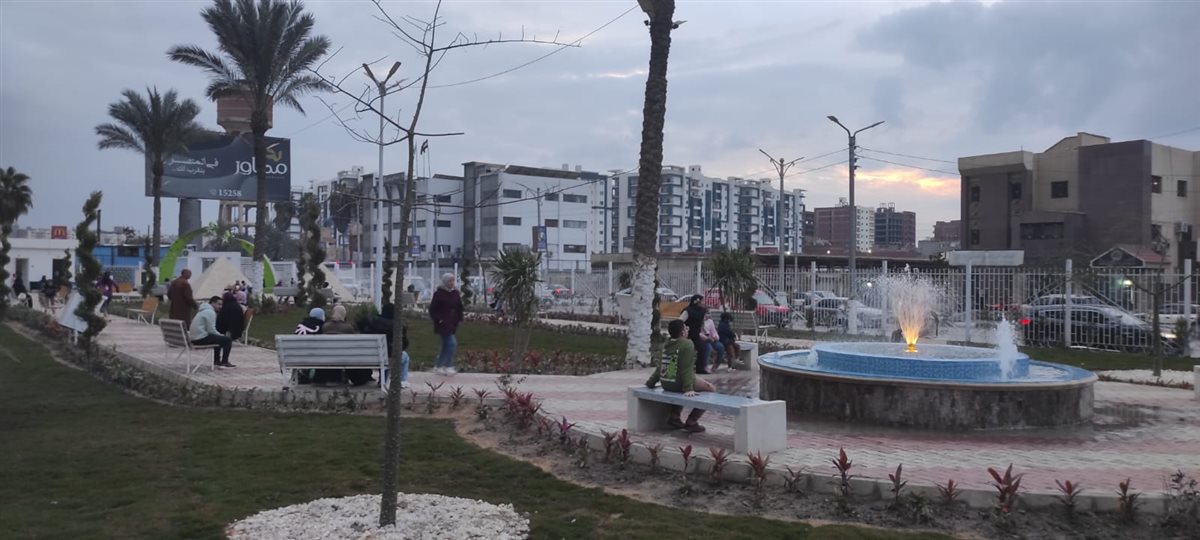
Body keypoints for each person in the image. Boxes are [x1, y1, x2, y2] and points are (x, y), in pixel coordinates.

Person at [645, 319, 715, 433]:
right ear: (682, 332)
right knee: (710, 389)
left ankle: (674, 417)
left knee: (681, 388)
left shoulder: (666, 344)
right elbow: (686, 368)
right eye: (686, 328)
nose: (687, 330)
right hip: (679, 382)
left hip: (666, 383)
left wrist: (651, 382)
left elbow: (661, 366)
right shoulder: (687, 344)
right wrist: (688, 388)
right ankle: (692, 421)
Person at [359, 303, 410, 389]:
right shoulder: (397, 326)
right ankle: (402, 381)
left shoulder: (371, 324)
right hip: (388, 357)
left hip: (370, 357)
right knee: (404, 356)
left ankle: (383, 381)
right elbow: (404, 345)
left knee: (384, 355)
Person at [429, 273, 464, 375]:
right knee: (452, 343)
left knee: (446, 345)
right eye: (449, 281)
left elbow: (459, 307)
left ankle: (439, 366)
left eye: (453, 281)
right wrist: (438, 319)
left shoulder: (455, 293)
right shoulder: (439, 294)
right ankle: (448, 365)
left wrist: (459, 318)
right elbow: (432, 309)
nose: (451, 283)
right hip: (442, 323)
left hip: (452, 323)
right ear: (445, 282)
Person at [189, 296, 234, 368]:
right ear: (213, 303)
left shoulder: (203, 310)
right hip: (200, 338)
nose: (220, 307)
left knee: (218, 338)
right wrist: (221, 335)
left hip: (195, 338)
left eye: (221, 305)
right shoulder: (210, 312)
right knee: (227, 340)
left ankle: (217, 360)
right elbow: (211, 331)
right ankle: (224, 361)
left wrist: (219, 336)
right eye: (219, 304)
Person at [679, 294, 711, 374]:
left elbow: (702, 323)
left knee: (702, 348)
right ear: (697, 302)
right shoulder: (687, 311)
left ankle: (700, 368)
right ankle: (683, 369)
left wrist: (706, 333)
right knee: (687, 350)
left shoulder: (702, 311)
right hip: (687, 335)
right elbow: (679, 322)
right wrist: (684, 330)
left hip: (696, 335)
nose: (703, 303)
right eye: (702, 301)